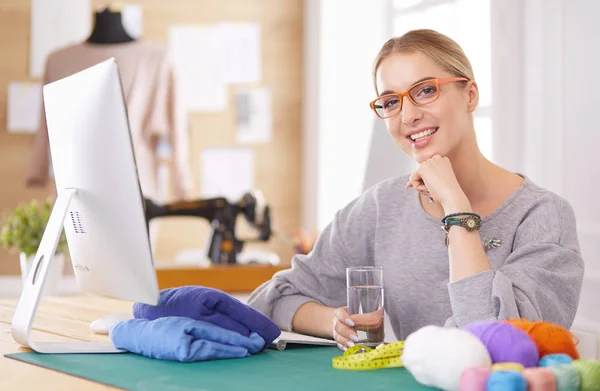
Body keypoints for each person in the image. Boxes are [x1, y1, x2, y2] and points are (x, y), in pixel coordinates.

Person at [247, 29, 585, 351]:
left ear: (470, 94)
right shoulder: (380, 207)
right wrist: (335, 321)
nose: (408, 115)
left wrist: (456, 208)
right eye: (391, 101)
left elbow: (494, 343)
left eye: (425, 90)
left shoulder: (542, 216)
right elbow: (272, 298)